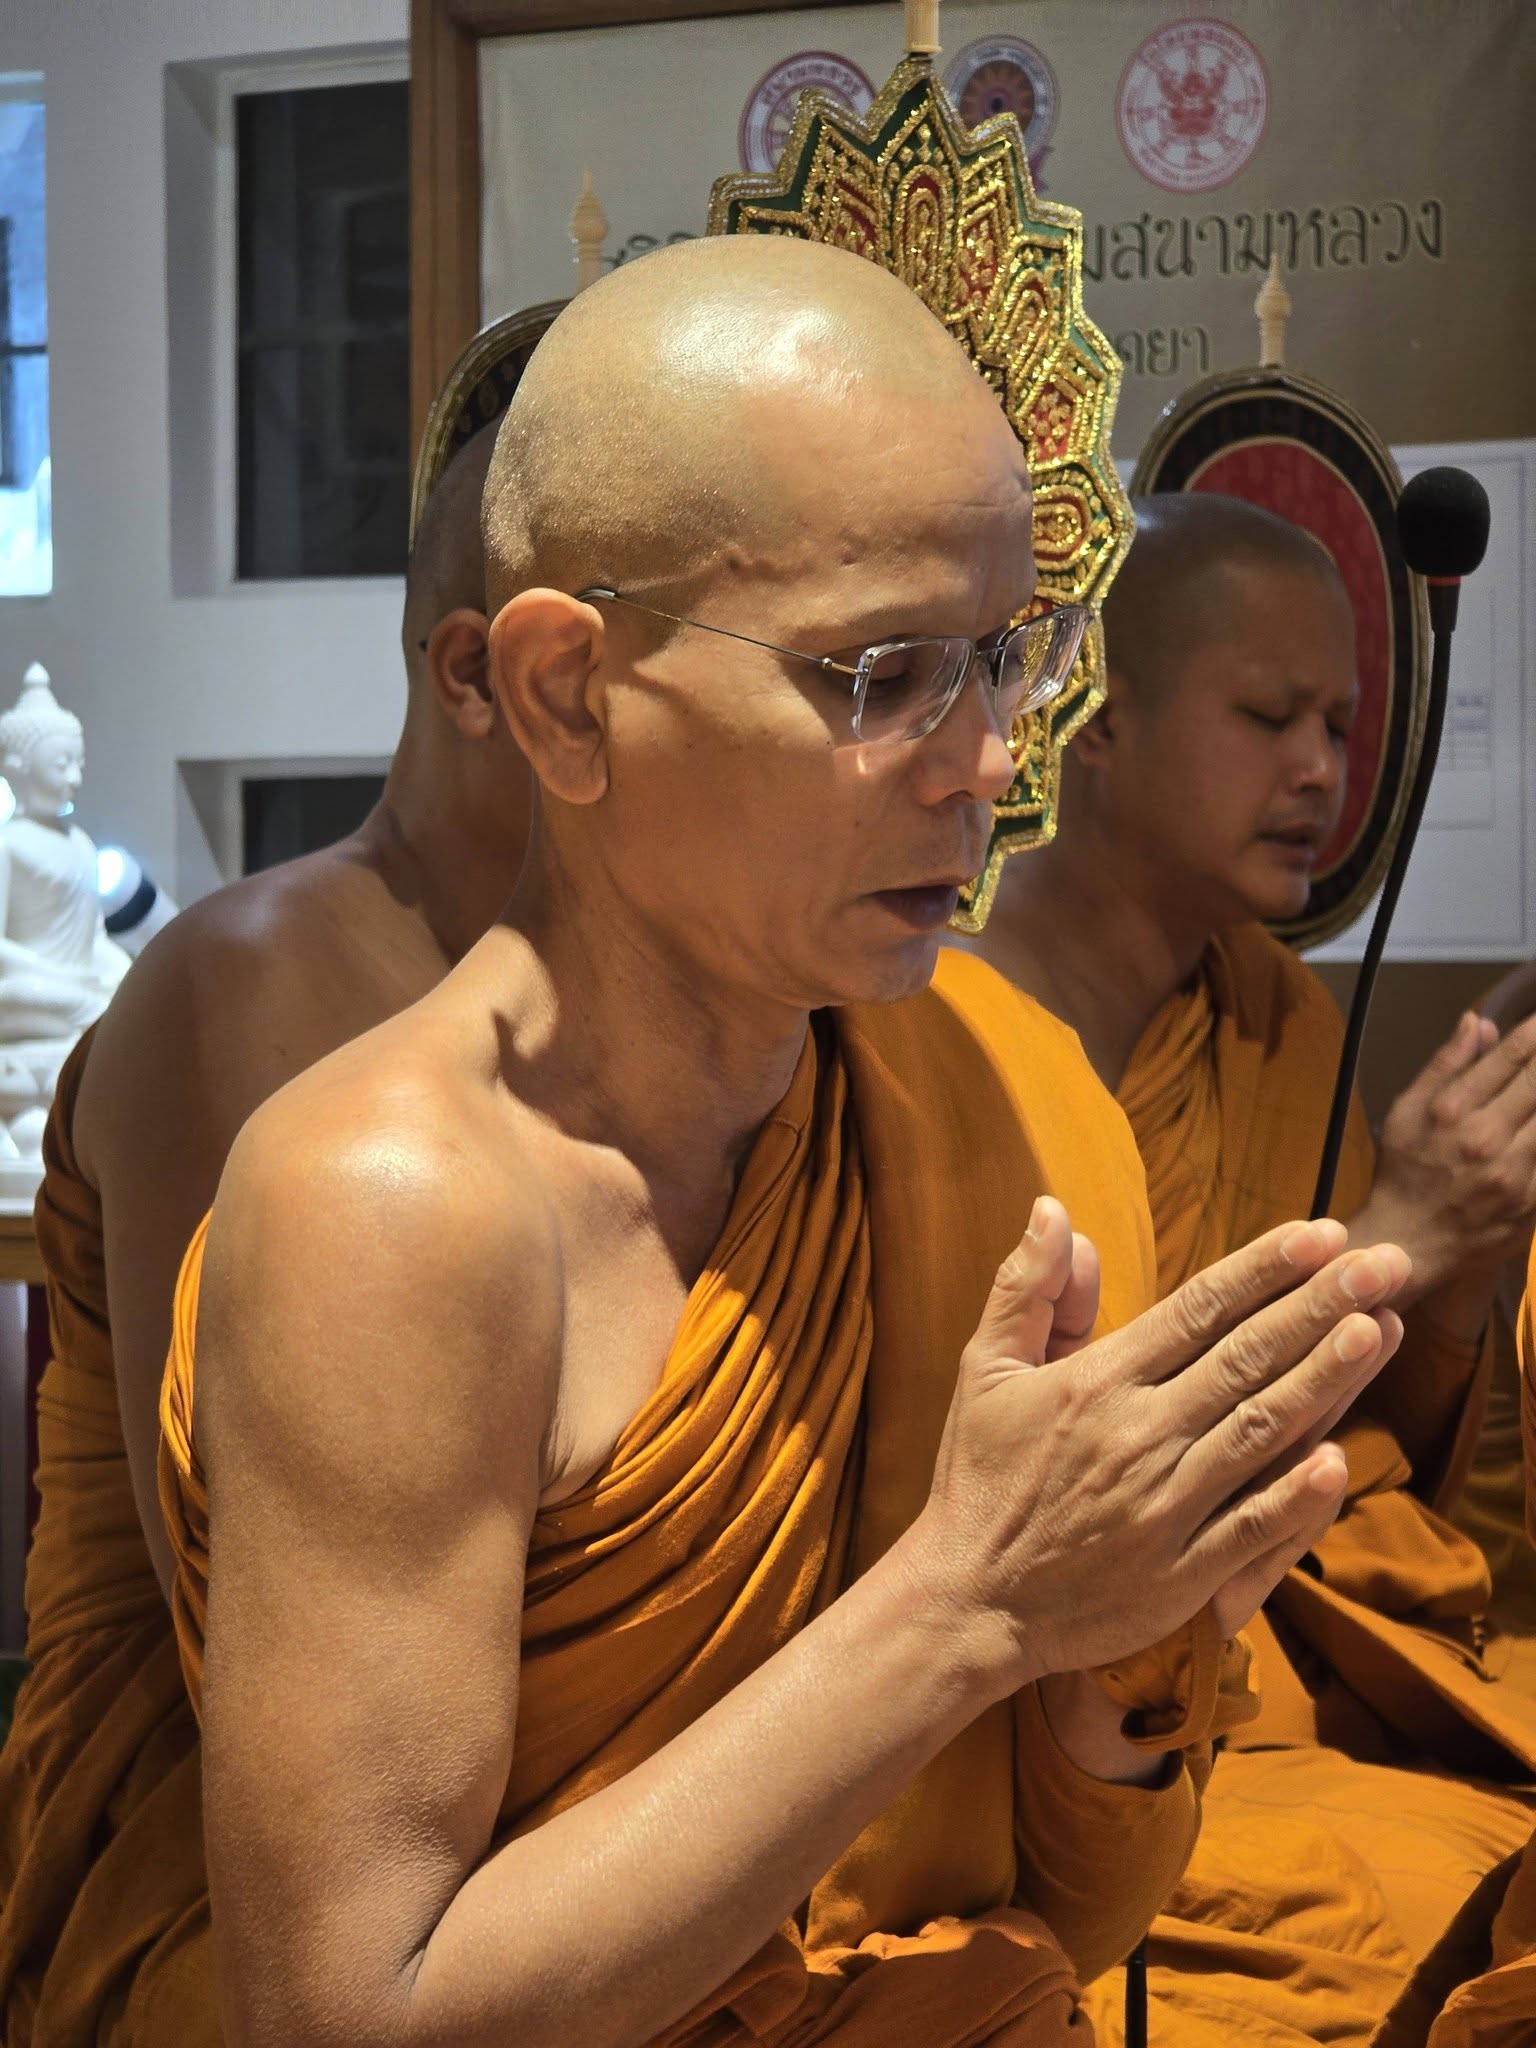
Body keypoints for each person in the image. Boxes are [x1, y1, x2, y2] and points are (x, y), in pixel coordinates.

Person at [158, 234, 1409, 2048]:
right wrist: (968, 1603)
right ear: (567, 694)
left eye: (1008, 659)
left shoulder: (1004, 1098)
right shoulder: (397, 1210)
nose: (989, 762)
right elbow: (353, 2015)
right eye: (882, 674)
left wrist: (1116, 1687)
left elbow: (1060, 1924)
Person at [967, 492, 1536, 2042]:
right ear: (1098, 719)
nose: (1321, 771)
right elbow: (1040, 1498)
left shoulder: (1272, 1017)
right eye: (1270, 716)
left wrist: (1454, 1267)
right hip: (1045, 1744)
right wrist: (1399, 1236)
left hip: (1274, 1701)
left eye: (1341, 726)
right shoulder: (929, 1033)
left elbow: (1373, 1483)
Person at [0, 417, 532, 2047]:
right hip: (251, 1899)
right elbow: (276, 1655)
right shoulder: (248, 989)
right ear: (490, 674)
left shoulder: (693, 1015)